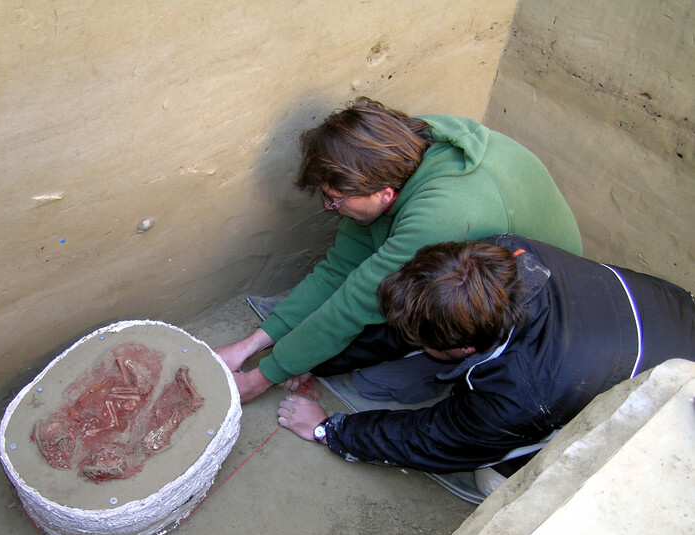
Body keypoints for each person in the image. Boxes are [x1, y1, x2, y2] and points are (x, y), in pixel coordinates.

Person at [215, 97, 582, 403]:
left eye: (335, 200)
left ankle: (451, 366)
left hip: (537, 303)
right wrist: (248, 346)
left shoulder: (439, 217)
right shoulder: (398, 149)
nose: (332, 209)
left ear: (385, 194)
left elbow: (355, 304)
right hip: (471, 265)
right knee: (340, 326)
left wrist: (261, 377)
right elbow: (340, 268)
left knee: (381, 337)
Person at [276, 234, 695, 497]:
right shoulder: (501, 257)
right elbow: (412, 319)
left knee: (490, 478)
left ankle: (511, 465)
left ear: (463, 348)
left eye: (428, 342)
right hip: (670, 314)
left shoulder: (523, 395)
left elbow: (432, 438)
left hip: (671, 405)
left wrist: (329, 429)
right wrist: (318, 359)